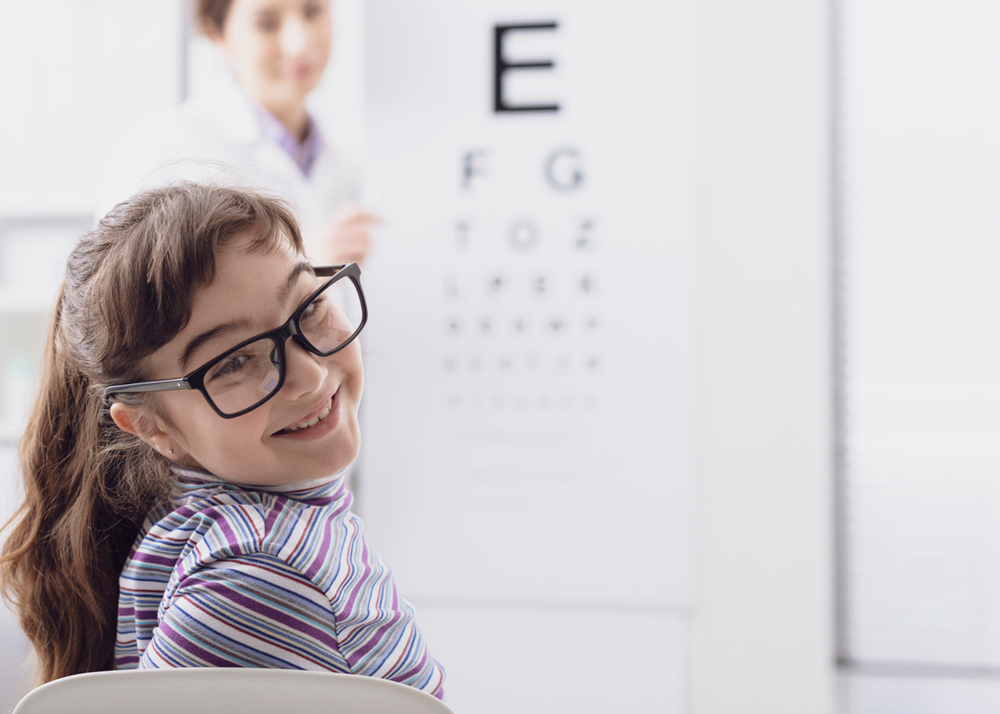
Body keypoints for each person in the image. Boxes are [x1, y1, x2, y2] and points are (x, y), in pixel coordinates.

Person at [0, 183, 443, 698]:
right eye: (234, 362)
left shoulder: (212, 514)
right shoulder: (259, 576)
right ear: (153, 428)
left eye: (309, 310)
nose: (311, 377)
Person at [98, 0, 376, 266]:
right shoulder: (164, 149)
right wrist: (304, 270)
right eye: (266, 24)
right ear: (216, 34)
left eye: (313, 10)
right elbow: (114, 302)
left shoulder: (342, 165)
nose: (299, 43)